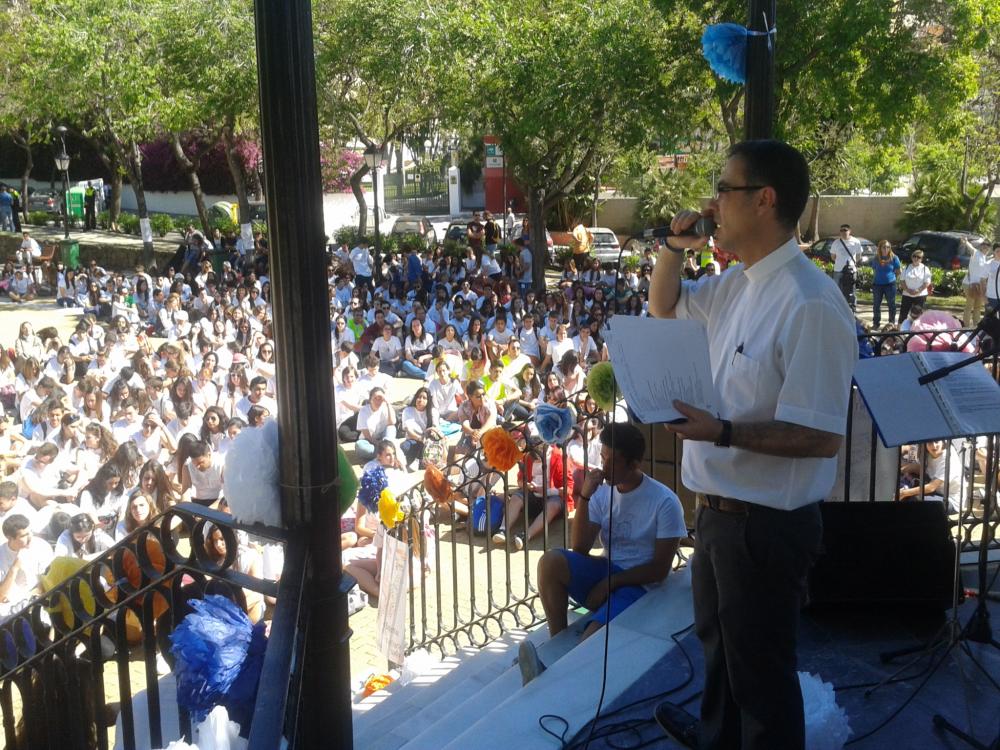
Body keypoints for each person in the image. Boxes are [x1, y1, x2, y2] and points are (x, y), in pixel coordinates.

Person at [647, 139, 857, 750]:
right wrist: (670, 250)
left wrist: (724, 432)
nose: (712, 203)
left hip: (766, 527)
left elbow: (820, 436)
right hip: (717, 515)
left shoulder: (811, 303)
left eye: (724, 189)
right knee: (721, 661)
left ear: (764, 200)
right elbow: (665, 309)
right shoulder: (738, 284)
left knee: (761, 679)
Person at [523, 423, 685, 683]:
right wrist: (585, 498)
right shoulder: (602, 491)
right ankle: (557, 643)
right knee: (550, 562)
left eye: (613, 460)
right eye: (603, 456)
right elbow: (580, 548)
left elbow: (660, 569)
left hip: (640, 585)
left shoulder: (664, 502)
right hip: (607, 570)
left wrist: (613, 582)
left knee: (594, 639)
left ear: (634, 464)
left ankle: (556, 674)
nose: (605, 465)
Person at [0, 514, 54, 618]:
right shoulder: (1, 555)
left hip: (39, 600)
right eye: (23, 536)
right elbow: (1, 596)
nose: (30, 538)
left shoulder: (42, 546)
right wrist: (14, 568)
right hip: (9, 608)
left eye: (30, 532)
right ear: (10, 538)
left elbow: (49, 580)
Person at [830, 224, 862, 312]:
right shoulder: (836, 243)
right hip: (838, 270)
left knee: (852, 291)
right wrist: (841, 262)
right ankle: (838, 309)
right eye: (841, 230)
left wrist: (851, 263)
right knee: (837, 290)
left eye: (845, 230)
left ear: (850, 231)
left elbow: (859, 256)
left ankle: (852, 310)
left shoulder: (856, 242)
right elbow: (833, 257)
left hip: (852, 271)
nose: (843, 232)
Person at [870, 240, 901, 328]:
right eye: (884, 247)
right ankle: (876, 323)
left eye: (888, 247)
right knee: (876, 304)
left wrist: (892, 278)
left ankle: (891, 323)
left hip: (890, 285)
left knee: (891, 304)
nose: (886, 249)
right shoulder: (876, 258)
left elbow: (898, 271)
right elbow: (874, 269)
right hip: (877, 285)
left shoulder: (894, 258)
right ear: (880, 248)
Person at [898, 249, 932, 324]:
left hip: (920, 295)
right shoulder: (907, 267)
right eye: (914, 256)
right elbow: (902, 280)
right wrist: (907, 289)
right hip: (907, 294)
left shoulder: (925, 269)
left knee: (918, 315)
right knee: (903, 314)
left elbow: (927, 282)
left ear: (921, 259)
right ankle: (899, 331)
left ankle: (917, 331)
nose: (916, 258)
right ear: (911, 257)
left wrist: (918, 290)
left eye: (918, 257)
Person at [962, 238, 989, 327]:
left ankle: (975, 327)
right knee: (969, 306)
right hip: (970, 284)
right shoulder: (976, 253)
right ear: (981, 246)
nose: (985, 247)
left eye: (987, 246)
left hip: (979, 286)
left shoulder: (985, 257)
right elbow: (970, 247)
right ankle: (966, 327)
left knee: (977, 307)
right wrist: (966, 242)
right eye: (984, 245)